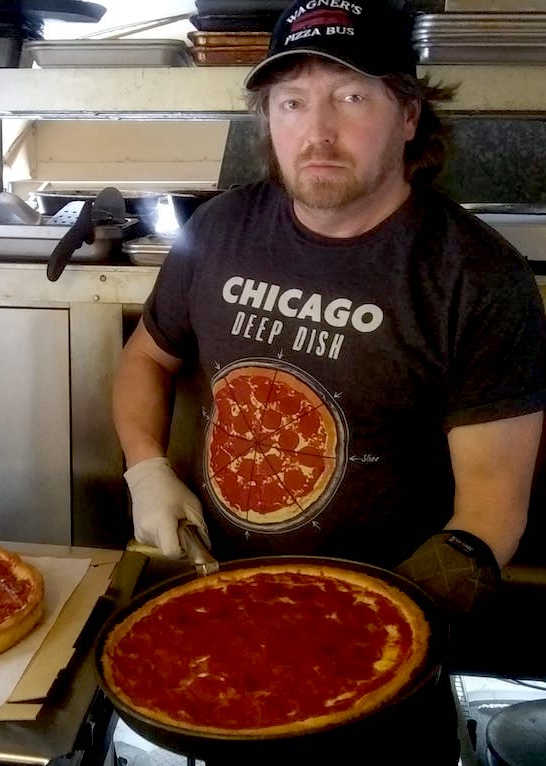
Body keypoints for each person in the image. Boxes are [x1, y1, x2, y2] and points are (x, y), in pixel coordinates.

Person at [112, 0, 546, 763]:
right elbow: (149, 357)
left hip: (380, 652)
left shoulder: (475, 277)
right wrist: (146, 467)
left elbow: (492, 512)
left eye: (350, 96)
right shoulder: (217, 231)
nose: (316, 132)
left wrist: (358, 629)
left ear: (409, 115)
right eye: (292, 101)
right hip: (217, 610)